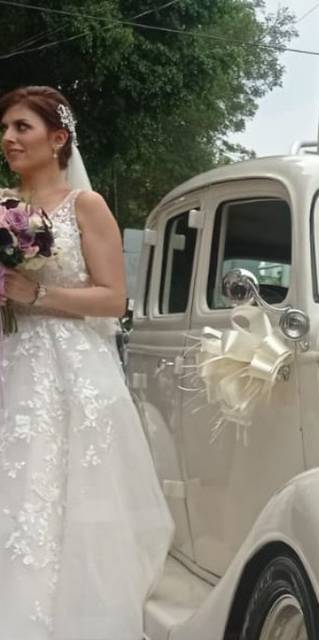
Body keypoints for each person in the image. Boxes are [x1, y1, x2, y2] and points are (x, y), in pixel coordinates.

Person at [0, 86, 172, 638]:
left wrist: (35, 295)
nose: (8, 138)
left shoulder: (85, 206)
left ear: (58, 139)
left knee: (67, 494)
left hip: (70, 369)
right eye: (4, 129)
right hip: (10, 357)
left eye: (22, 128)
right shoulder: (2, 205)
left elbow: (114, 298)